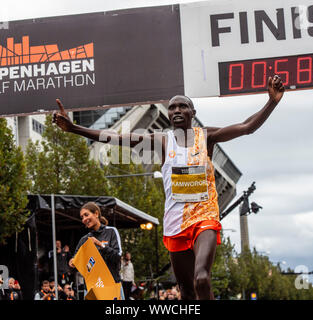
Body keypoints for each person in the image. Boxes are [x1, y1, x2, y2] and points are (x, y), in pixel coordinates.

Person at [53, 75, 285, 299]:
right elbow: (117, 137)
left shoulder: (206, 136)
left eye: (182, 107)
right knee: (186, 291)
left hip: (204, 217)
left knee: (202, 278)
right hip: (175, 223)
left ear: (192, 113)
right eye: (172, 108)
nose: (175, 111)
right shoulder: (163, 140)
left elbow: (246, 126)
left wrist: (271, 102)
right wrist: (74, 129)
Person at [67, 202, 123, 296]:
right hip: (92, 289)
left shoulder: (111, 231)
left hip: (112, 286)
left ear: (96, 214)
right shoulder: (84, 240)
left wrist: (100, 245)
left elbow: (117, 256)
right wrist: (72, 262)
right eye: (82, 217)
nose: (84, 219)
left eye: (86, 215)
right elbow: (77, 263)